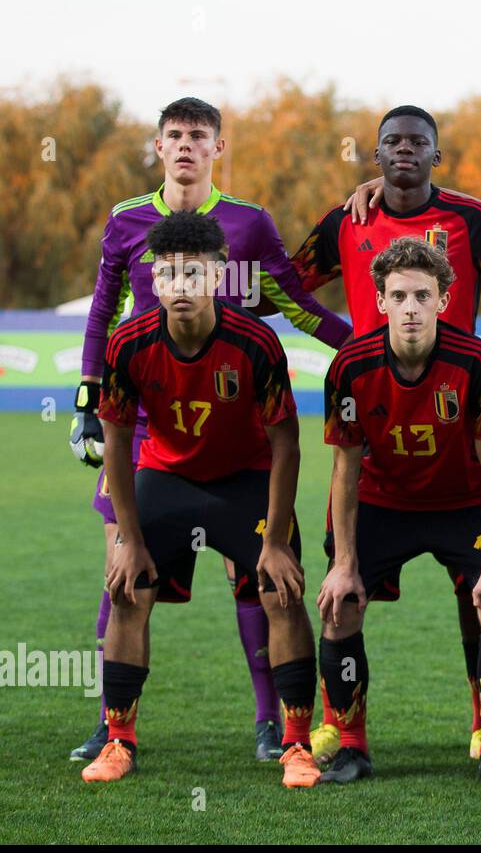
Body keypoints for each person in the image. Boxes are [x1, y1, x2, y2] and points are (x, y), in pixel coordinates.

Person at [68, 96, 350, 764]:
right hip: (145, 419)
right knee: (121, 566)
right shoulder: (126, 221)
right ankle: (112, 725)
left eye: (199, 134)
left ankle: (268, 723)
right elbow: (106, 306)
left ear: (218, 148)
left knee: (252, 573)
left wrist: (365, 349)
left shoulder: (248, 224)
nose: (187, 145)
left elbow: (295, 304)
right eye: (175, 135)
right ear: (159, 147)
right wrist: (86, 395)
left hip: (231, 420)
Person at [294, 105, 481, 769]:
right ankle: (344, 737)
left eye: (418, 143)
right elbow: (279, 284)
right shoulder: (347, 225)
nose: (404, 151)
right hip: (381, 492)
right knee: (339, 599)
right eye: (392, 143)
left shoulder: (472, 228)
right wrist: (336, 333)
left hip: (461, 488)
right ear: (375, 156)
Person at [83, 210, 321, 789]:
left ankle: (295, 744)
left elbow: (286, 446)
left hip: (245, 479)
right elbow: (116, 442)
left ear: (217, 277)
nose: (181, 285)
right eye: (169, 274)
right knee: (126, 589)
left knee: (282, 592)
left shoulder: (256, 341)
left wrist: (275, 541)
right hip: (166, 477)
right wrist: (128, 539)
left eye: (194, 274)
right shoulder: (129, 343)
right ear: (155, 282)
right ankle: (119, 740)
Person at [316, 237, 481, 786]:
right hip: (384, 504)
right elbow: (345, 469)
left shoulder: (476, 362)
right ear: (379, 301)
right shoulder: (351, 367)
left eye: (422, 296)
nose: (410, 307)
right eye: (399, 295)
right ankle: (352, 746)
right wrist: (345, 561)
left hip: (461, 504)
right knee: (340, 605)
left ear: (443, 301)